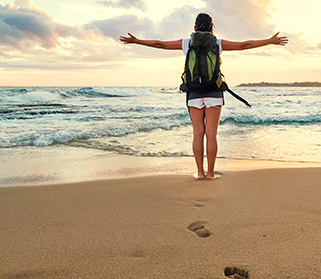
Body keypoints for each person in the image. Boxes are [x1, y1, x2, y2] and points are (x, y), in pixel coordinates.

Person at [119, 13, 288, 180]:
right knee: (211, 134)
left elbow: (160, 44)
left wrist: (137, 41)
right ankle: (211, 173)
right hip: (214, 92)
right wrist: (269, 41)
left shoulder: (186, 43)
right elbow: (244, 45)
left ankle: (200, 173)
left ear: (194, 28)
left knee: (198, 134)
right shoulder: (218, 43)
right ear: (212, 28)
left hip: (193, 93)